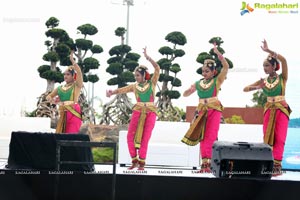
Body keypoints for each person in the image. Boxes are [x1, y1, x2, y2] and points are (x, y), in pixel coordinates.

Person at [106, 47, 160, 170]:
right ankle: (134, 160)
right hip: (137, 111)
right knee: (130, 136)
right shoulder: (134, 86)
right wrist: (111, 92)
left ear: (144, 75)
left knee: (145, 138)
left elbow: (157, 68)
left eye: (137, 75)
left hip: (151, 112)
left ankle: (141, 163)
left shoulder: (152, 83)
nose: (135, 77)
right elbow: (122, 90)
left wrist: (148, 58)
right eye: (135, 75)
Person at [243, 39, 291, 176]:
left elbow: (285, 60)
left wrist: (268, 50)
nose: (265, 68)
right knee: (268, 137)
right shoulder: (263, 81)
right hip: (269, 109)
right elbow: (245, 89)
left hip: (281, 109)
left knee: (280, 137)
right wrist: (257, 87)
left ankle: (277, 166)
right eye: (264, 66)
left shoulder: (283, 78)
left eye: (267, 65)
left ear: (274, 66)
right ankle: (268, 164)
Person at [181, 43, 229, 173]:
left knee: (211, 135)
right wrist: (188, 90)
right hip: (201, 110)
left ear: (214, 72)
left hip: (214, 109)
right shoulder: (198, 83)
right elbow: (185, 94)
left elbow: (226, 67)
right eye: (203, 71)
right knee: (202, 136)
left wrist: (218, 54)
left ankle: (210, 164)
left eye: (207, 71)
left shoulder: (217, 81)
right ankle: (204, 165)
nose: (204, 73)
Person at [46, 51, 83, 134]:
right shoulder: (59, 88)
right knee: (61, 135)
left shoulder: (77, 85)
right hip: (63, 114)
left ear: (73, 76)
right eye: (64, 74)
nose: (65, 76)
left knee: (71, 136)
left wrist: (73, 62)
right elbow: (48, 96)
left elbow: (79, 72)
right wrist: (53, 101)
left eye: (68, 74)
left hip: (74, 113)